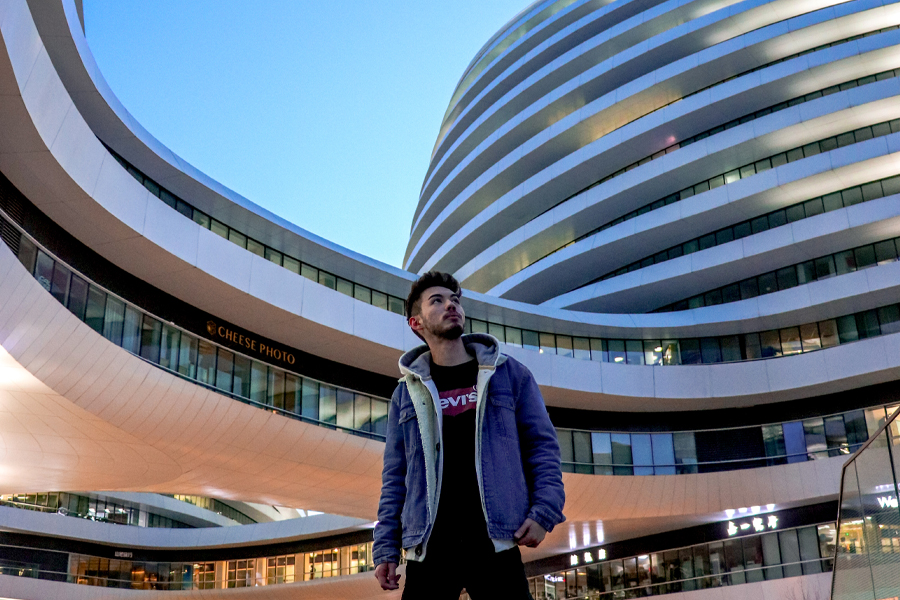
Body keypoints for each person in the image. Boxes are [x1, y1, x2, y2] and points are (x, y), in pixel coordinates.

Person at [373, 271, 565, 599]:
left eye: (455, 300)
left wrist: (544, 511)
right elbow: (395, 476)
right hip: (430, 546)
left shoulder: (508, 374)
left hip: (494, 541)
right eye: (437, 301)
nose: (452, 305)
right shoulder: (405, 394)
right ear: (416, 323)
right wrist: (385, 547)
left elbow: (542, 447)